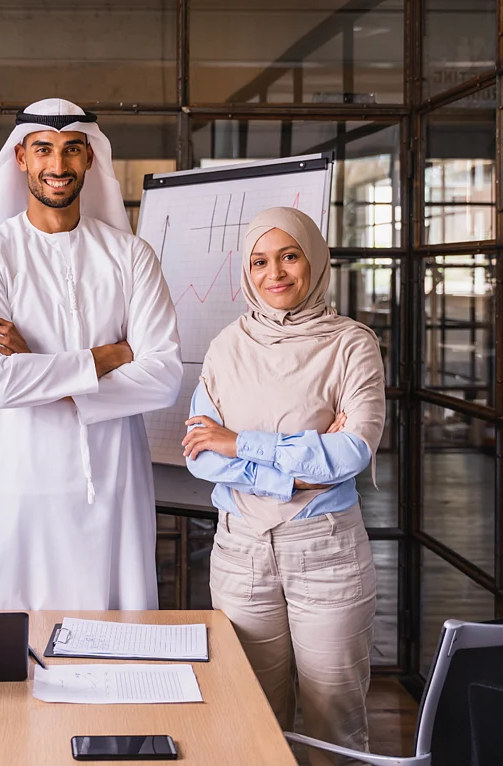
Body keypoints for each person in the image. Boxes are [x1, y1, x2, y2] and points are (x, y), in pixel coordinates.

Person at [0, 98, 182, 611]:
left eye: (71, 150)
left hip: (114, 479)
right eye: (43, 150)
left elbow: (164, 377)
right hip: (21, 481)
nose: (57, 165)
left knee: (117, 635)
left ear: (90, 157)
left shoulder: (131, 255)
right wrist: (111, 354)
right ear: (21, 158)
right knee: (9, 639)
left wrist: (37, 367)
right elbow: (0, 384)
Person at [182, 207, 385, 765]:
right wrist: (298, 466)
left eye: (289, 256)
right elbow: (202, 455)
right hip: (240, 552)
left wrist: (240, 442)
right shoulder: (227, 346)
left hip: (326, 552)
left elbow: (351, 452)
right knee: (251, 722)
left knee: (335, 726)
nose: (274, 273)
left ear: (313, 259)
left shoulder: (352, 344)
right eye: (259, 261)